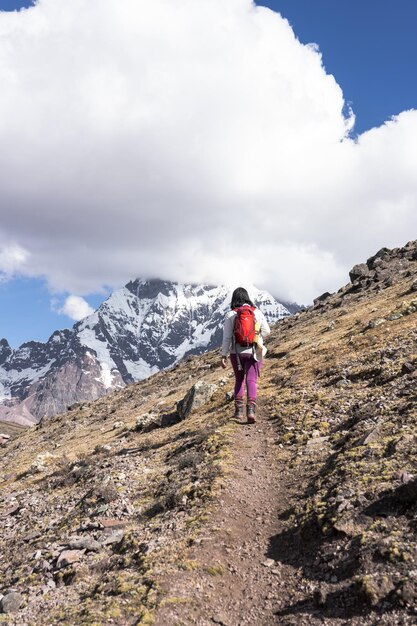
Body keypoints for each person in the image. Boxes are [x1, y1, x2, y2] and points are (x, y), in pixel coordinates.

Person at [221, 287, 270, 423]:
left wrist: (223, 356)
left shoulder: (231, 314)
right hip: (254, 352)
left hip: (236, 353)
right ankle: (251, 411)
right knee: (251, 380)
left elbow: (226, 337)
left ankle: (238, 412)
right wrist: (255, 334)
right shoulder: (257, 312)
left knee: (239, 380)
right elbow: (267, 331)